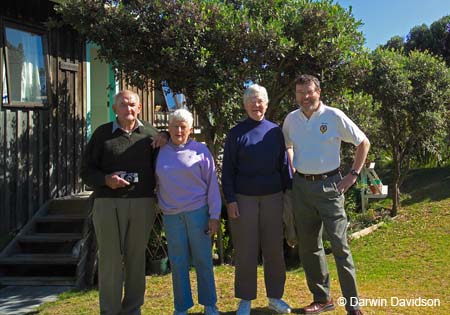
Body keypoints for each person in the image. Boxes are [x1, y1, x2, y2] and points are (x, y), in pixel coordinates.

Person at [282, 74, 370, 315]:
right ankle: (322, 299)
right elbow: (287, 146)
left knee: (340, 246)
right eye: (300, 93)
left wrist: (353, 174)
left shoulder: (333, 115)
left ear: (318, 92)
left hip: (331, 186)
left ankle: (353, 305)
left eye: (309, 92)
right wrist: (293, 167)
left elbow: (363, 142)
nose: (305, 97)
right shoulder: (291, 120)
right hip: (301, 188)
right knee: (309, 247)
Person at [81, 90, 165, 315]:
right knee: (109, 258)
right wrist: (106, 180)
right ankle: (110, 310)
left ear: (139, 108)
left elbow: (167, 157)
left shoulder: (151, 134)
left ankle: (132, 309)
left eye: (132, 105)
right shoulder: (101, 135)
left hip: (142, 203)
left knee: (136, 258)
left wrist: (165, 134)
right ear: (114, 109)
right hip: (107, 203)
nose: (128, 109)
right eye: (123, 104)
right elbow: (86, 171)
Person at [222, 84, 292, 315]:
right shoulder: (236, 133)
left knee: (274, 250)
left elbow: (284, 166)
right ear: (245, 105)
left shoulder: (275, 132)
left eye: (260, 100)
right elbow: (228, 171)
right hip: (244, 199)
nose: (256, 104)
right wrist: (230, 200)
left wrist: (288, 195)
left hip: (273, 197)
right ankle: (245, 300)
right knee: (246, 251)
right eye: (251, 100)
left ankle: (275, 297)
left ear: (266, 104)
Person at [155, 109, 221, 315]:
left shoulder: (201, 151)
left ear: (190, 129)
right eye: (174, 126)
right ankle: (181, 306)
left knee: (203, 260)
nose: (179, 130)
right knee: (178, 263)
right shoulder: (159, 150)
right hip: (172, 215)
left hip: (197, 213)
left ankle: (210, 304)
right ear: (168, 128)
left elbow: (212, 185)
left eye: (183, 126)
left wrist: (214, 216)